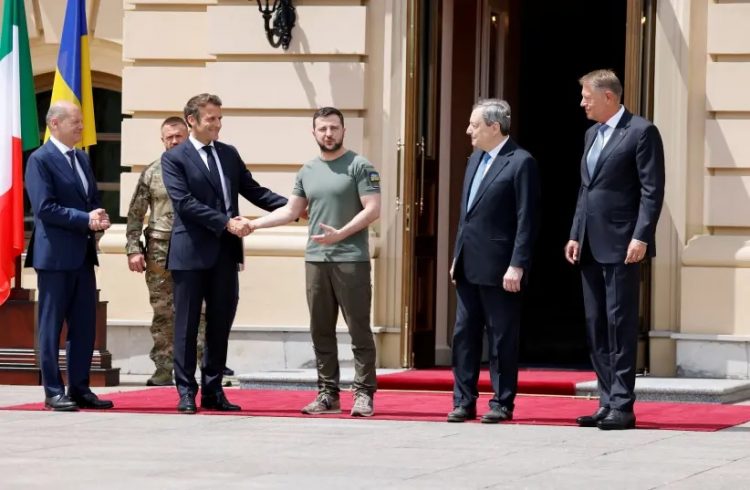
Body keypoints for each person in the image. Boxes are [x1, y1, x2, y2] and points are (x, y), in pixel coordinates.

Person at [250, 106, 381, 417]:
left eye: (334, 128)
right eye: (322, 129)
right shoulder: (307, 170)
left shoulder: (359, 166)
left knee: (359, 329)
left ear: (343, 131)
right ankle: (328, 395)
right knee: (320, 329)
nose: (328, 134)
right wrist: (253, 224)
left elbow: (373, 209)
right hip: (316, 260)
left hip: (352, 260)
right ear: (314, 133)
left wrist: (341, 234)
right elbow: (291, 211)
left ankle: (364, 394)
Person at [161, 93, 287, 413]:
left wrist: (296, 207)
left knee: (220, 324)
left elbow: (254, 191)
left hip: (225, 254)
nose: (217, 124)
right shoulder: (175, 158)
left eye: (219, 118)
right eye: (210, 119)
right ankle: (186, 391)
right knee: (187, 327)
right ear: (192, 120)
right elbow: (185, 204)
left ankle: (214, 390)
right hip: (190, 254)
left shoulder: (228, 154)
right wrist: (226, 223)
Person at [565, 69, 665, 430]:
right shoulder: (592, 134)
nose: (582, 103)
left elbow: (652, 191)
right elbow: (585, 189)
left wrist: (641, 236)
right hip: (590, 244)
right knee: (596, 325)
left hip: (624, 245)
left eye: (587, 97)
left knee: (619, 323)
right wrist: (576, 233)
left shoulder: (641, 132)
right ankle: (606, 401)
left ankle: (623, 404)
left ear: (609, 96)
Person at [447, 99, 540, 424]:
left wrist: (518, 263)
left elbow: (526, 219)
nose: (468, 130)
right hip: (469, 264)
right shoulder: (474, 159)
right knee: (464, 335)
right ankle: (464, 400)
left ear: (494, 127)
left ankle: (502, 402)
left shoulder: (520, 162)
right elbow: (466, 216)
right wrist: (457, 255)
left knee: (501, 338)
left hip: (502, 268)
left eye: (474, 125)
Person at [24, 101, 114, 411]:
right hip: (54, 258)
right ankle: (53, 390)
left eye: (81, 121)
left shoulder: (82, 160)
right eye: (75, 121)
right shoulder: (41, 160)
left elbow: (91, 198)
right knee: (51, 327)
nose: (81, 126)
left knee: (84, 325)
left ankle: (79, 387)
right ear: (55, 124)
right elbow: (45, 208)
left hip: (83, 256)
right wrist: (84, 219)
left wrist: (99, 215)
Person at [125, 117, 210, 387]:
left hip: (196, 248)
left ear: (188, 136)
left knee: (202, 310)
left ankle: (203, 368)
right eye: (169, 137)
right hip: (160, 251)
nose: (174, 141)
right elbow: (135, 214)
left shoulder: (200, 168)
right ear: (162, 140)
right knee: (163, 311)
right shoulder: (152, 172)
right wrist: (133, 249)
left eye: (178, 136)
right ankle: (163, 368)